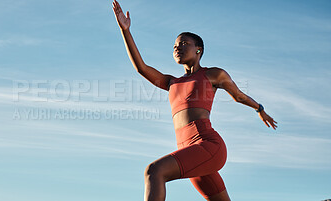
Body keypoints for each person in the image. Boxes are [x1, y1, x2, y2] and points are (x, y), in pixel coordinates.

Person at [112, 1, 278, 201]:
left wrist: (259, 108)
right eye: (174, 46)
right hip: (189, 151)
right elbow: (141, 67)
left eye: (183, 43)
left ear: (198, 50)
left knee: (154, 171)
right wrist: (125, 31)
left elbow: (239, 95)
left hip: (208, 145)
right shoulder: (171, 82)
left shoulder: (214, 74)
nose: (177, 48)